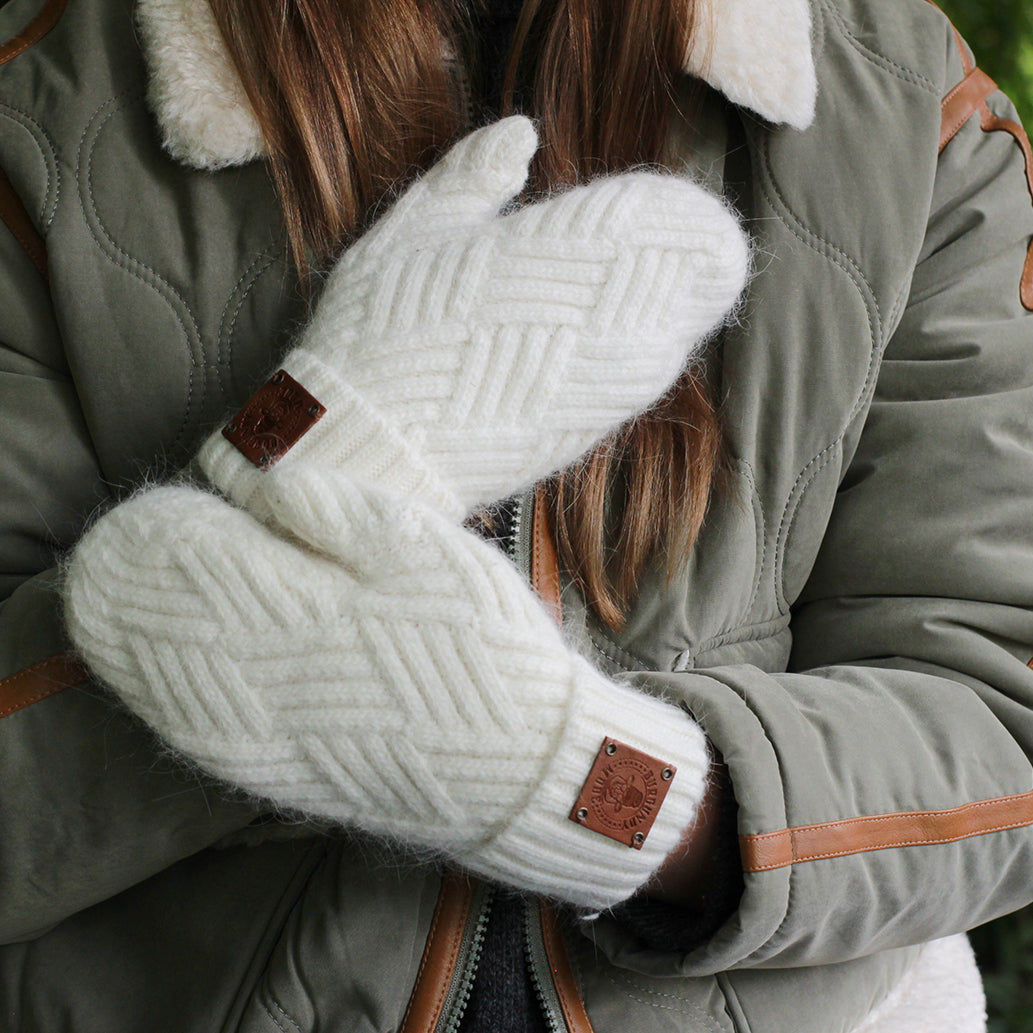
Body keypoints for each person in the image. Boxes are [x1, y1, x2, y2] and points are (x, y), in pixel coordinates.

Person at [1, 0, 1031, 1029]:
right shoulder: (43, 96)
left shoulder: (901, 102)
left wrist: (571, 780)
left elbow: (1001, 722)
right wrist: (319, 439)